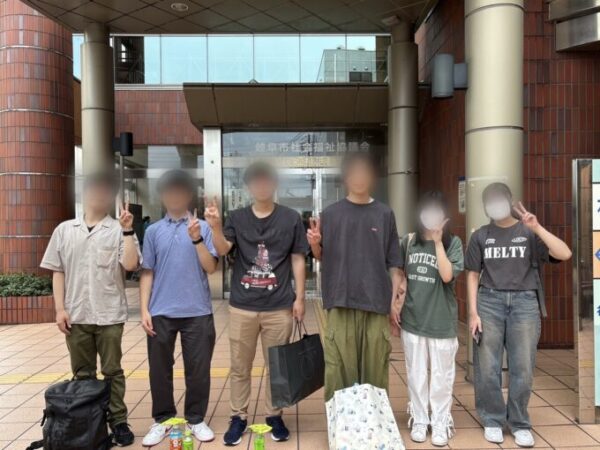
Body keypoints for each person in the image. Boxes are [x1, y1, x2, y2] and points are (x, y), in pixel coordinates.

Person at [205, 161, 309, 446]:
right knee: (240, 366)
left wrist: (300, 298)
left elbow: (298, 258)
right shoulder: (237, 218)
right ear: (249, 186)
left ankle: (274, 415)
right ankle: (238, 416)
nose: (261, 185)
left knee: (277, 366)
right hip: (243, 307)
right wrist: (215, 227)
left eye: (266, 180)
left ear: (274, 184)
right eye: (256, 181)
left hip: (279, 306)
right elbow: (223, 249)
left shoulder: (290, 218)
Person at [465, 182, 571, 448]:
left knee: (522, 366)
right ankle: (492, 419)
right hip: (489, 301)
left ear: (510, 201)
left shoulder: (528, 233)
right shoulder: (480, 236)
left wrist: (537, 227)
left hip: (525, 303)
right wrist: (473, 312)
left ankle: (520, 422)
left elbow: (565, 253)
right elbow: (473, 275)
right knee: (487, 366)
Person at [40, 172, 140, 447]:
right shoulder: (64, 230)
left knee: (112, 371)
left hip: (109, 314)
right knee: (83, 374)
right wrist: (59, 309)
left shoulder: (119, 229)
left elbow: (131, 265)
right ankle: (87, 421)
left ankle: (118, 421)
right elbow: (58, 271)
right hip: (76, 314)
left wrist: (128, 230)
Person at [307, 152, 403, 401]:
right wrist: (315, 244)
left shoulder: (385, 214)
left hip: (376, 304)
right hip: (340, 301)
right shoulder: (331, 214)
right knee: (339, 372)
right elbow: (321, 256)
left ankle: (375, 424)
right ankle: (341, 424)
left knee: (375, 373)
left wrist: (393, 302)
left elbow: (394, 264)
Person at [140, 170, 218, 447]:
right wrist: (144, 309)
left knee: (198, 369)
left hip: (197, 311)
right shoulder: (152, 231)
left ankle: (195, 418)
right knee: (159, 370)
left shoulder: (203, 227)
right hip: (160, 311)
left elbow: (211, 267)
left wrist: (196, 238)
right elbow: (147, 271)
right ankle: (163, 419)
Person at [394, 191, 463, 447]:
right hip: (413, 319)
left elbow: (447, 276)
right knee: (416, 374)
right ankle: (420, 419)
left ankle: (441, 421)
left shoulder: (453, 243)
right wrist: (394, 303)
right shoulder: (409, 241)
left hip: (442, 322)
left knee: (442, 377)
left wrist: (437, 242)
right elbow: (400, 274)